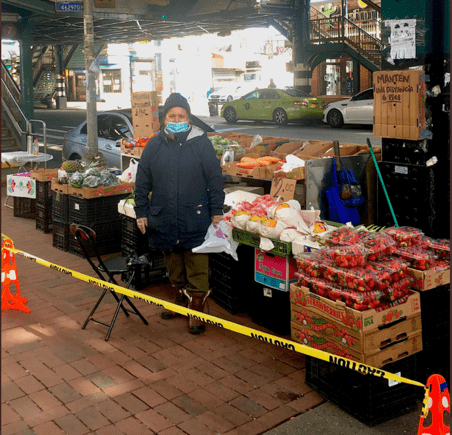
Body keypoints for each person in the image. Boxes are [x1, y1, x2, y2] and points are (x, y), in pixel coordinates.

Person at [134, 93, 225, 335]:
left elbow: (215, 178)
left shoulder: (201, 143)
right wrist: (141, 210)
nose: (176, 119)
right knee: (173, 259)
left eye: (181, 115)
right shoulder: (154, 145)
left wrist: (216, 209)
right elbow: (143, 180)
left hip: (194, 213)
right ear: (164, 119)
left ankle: (196, 306)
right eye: (172, 115)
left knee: (196, 260)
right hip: (163, 213)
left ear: (188, 117)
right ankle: (179, 297)